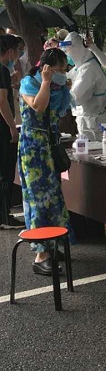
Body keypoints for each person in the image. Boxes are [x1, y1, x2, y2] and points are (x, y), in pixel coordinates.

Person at [19, 48, 73, 275]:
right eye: (60, 69)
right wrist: (46, 82)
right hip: (33, 148)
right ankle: (41, 255)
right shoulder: (29, 83)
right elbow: (38, 106)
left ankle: (52, 244)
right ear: (47, 67)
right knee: (38, 199)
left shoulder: (58, 89)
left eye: (65, 70)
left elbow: (59, 113)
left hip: (50, 147)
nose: (63, 73)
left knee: (53, 198)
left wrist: (61, 88)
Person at [61, 31, 106, 140]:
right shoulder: (81, 67)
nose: (67, 54)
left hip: (92, 124)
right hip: (88, 121)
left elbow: (76, 98)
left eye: (68, 50)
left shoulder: (88, 69)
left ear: (77, 48)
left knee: (94, 150)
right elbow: (66, 78)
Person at [0, 35, 21, 229]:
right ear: (10, 51)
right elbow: (1, 101)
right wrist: (12, 128)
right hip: (2, 128)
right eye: (18, 51)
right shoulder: (2, 70)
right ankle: (4, 216)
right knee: (5, 171)